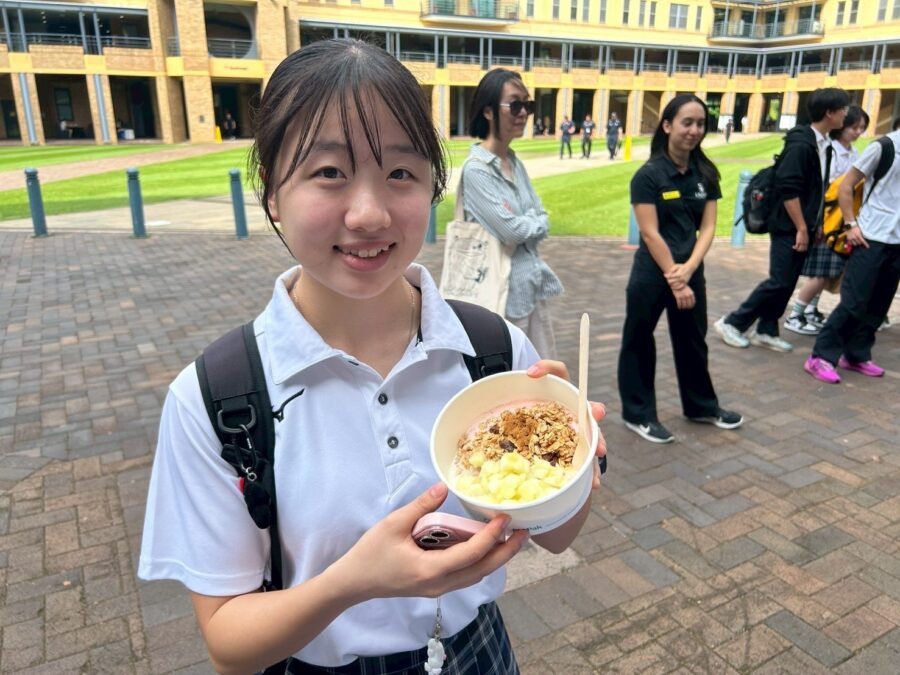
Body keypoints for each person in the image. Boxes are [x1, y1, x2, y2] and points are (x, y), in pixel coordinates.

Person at [138, 40, 607, 675]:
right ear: (272, 192)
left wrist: (577, 460)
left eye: (401, 173)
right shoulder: (215, 397)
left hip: (479, 653)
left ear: (432, 185)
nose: (369, 214)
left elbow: (555, 536)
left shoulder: (493, 351)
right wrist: (352, 582)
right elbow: (228, 642)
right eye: (329, 172)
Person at [618, 94, 743, 444]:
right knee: (639, 341)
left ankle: (701, 406)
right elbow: (649, 232)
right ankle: (638, 414)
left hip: (690, 272)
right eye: (687, 122)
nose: (694, 130)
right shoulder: (648, 175)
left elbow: (709, 227)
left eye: (700, 124)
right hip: (653, 274)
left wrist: (689, 269)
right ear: (667, 125)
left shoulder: (706, 173)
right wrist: (676, 278)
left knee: (692, 341)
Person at [714, 87, 850, 353]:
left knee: (787, 281)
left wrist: (816, 225)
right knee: (778, 280)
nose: (846, 114)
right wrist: (801, 228)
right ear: (829, 113)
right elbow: (789, 190)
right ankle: (732, 322)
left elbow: (817, 190)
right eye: (843, 109)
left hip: (805, 225)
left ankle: (766, 329)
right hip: (788, 224)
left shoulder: (823, 145)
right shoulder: (801, 145)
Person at [462, 68, 564, 359]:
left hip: (530, 288)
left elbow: (541, 215)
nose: (523, 113)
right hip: (500, 296)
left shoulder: (514, 162)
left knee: (542, 370)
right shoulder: (477, 170)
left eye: (528, 105)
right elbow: (512, 231)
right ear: (488, 111)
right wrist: (532, 223)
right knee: (513, 374)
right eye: (515, 105)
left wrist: (531, 222)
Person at [804, 125, 900, 383]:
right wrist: (850, 225)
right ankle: (820, 357)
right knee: (854, 302)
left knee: (879, 304)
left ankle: (856, 354)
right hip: (870, 238)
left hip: (897, 243)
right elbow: (846, 186)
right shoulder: (884, 147)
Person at [784, 105, 869, 337]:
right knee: (821, 273)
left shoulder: (852, 152)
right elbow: (827, 184)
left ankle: (810, 310)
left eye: (862, 128)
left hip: (841, 220)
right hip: (828, 219)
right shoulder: (830, 150)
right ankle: (796, 314)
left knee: (829, 271)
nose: (858, 132)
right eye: (854, 127)